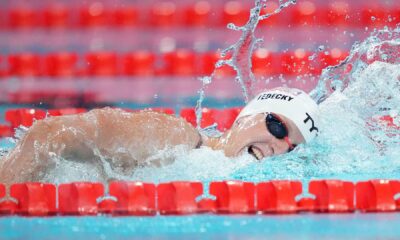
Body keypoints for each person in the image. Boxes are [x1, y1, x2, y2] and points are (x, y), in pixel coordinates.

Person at [0, 87, 319, 185]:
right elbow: (49, 134)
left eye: (291, 147)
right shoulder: (175, 139)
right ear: (245, 116)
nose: (278, 145)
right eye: (277, 126)